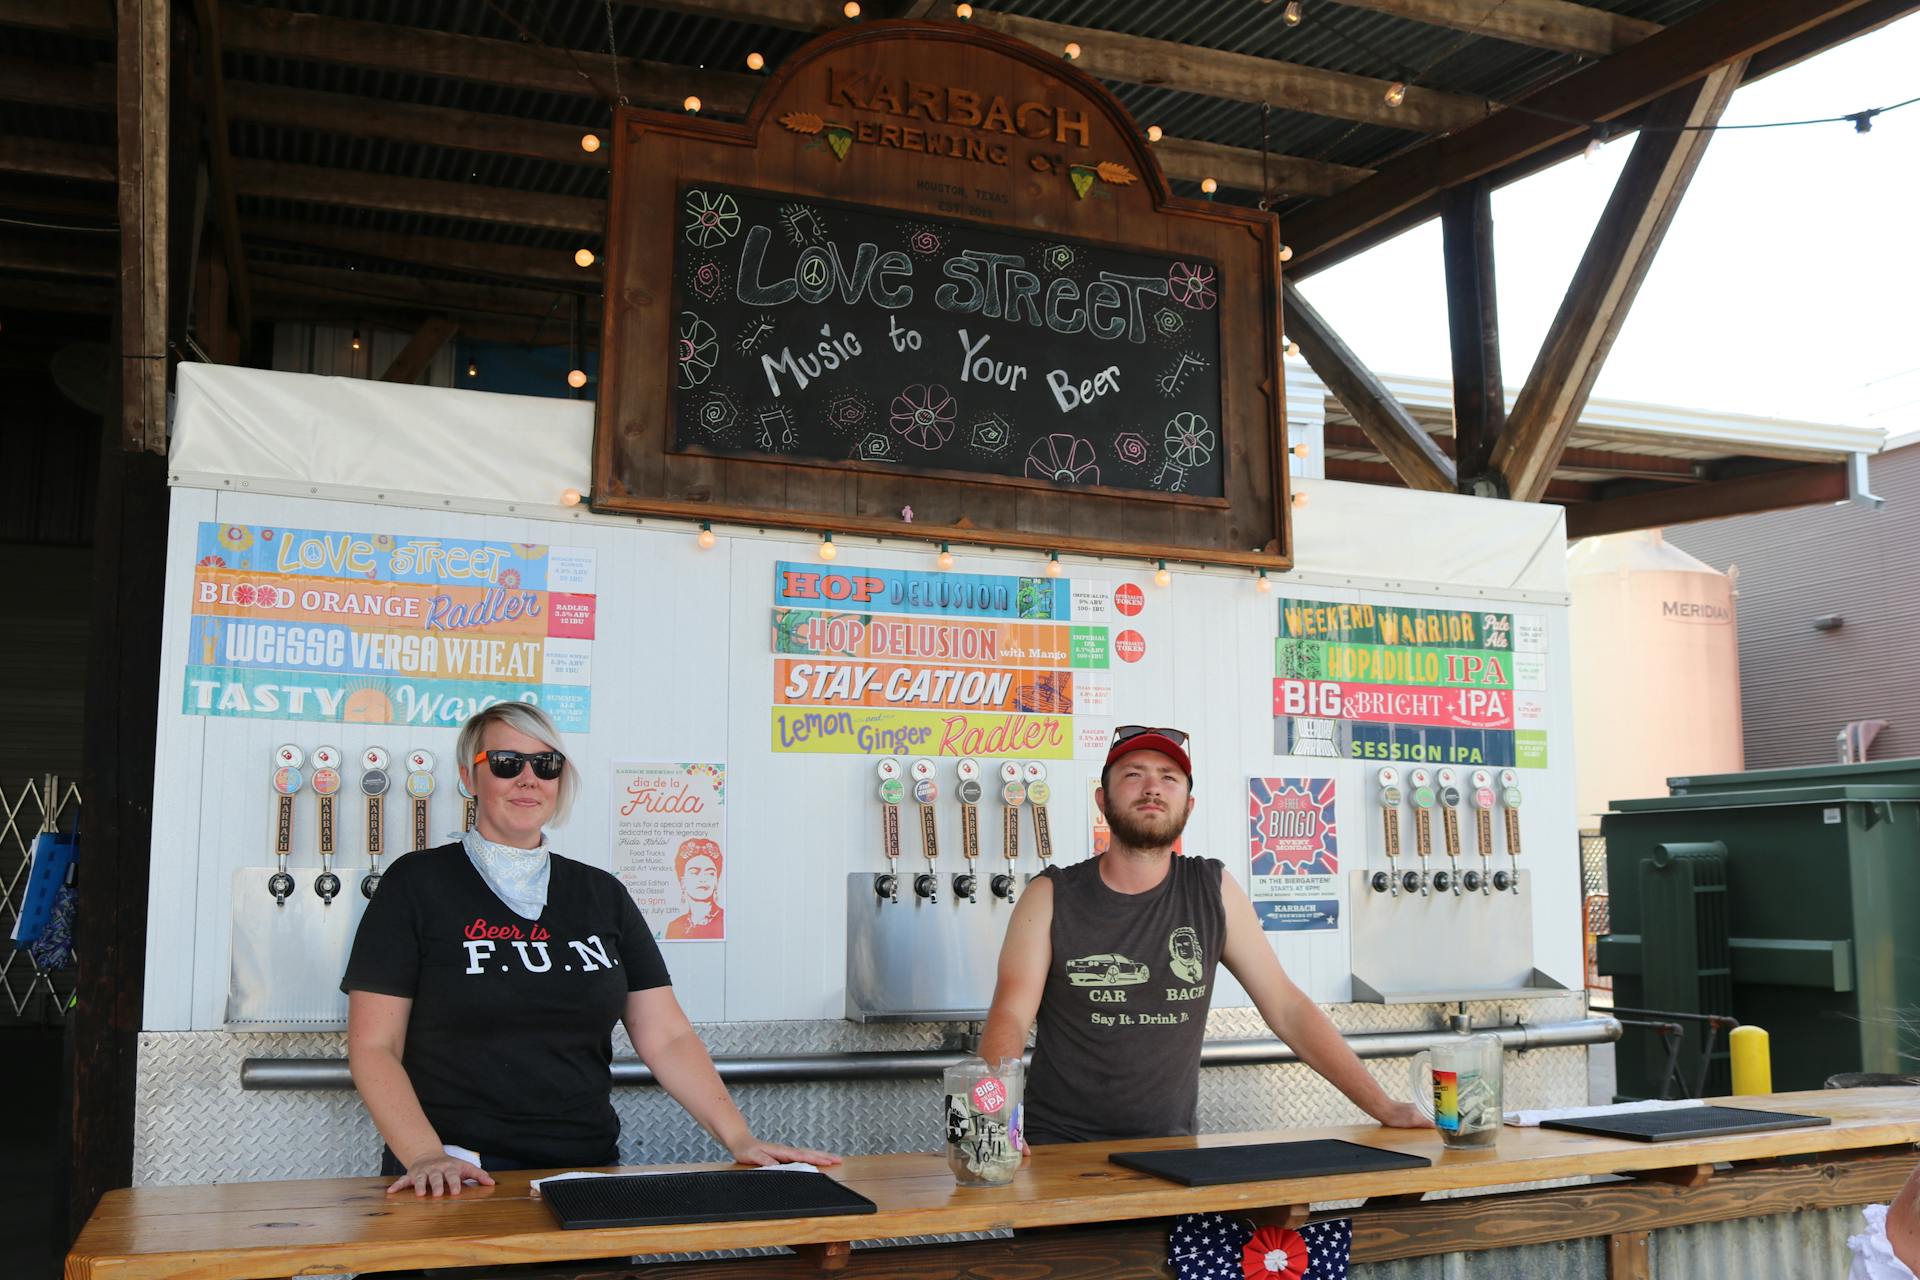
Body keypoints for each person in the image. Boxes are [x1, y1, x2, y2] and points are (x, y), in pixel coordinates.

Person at [343, 702, 836, 1196]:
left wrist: (739, 1138)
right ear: (470, 778)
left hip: (584, 1169)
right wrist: (425, 1154)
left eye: (546, 764)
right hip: (457, 1174)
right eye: (506, 763)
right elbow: (374, 1046)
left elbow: (666, 1036)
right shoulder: (416, 884)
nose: (528, 779)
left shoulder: (601, 894)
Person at [979, 725, 1430, 1145]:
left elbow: (1288, 1008)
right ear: (1102, 800)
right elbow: (1011, 1016)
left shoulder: (1211, 889)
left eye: (1169, 777)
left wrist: (1384, 1105)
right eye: (1133, 774)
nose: (1152, 787)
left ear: (1188, 806)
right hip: (1057, 1148)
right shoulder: (1050, 895)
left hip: (1172, 1152)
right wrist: (995, 1122)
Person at [664, 838, 725, 940]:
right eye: (694, 872)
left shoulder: (725, 921)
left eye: (710, 873)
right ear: (682, 881)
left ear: (716, 881)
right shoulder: (674, 927)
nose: (702, 879)